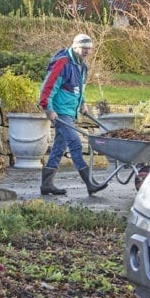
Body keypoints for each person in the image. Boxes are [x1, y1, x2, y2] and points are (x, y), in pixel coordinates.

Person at [38, 33, 107, 196]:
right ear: (75, 47)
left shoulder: (82, 66)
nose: (87, 52)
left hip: (70, 111)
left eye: (89, 49)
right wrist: (48, 109)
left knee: (59, 146)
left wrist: (82, 103)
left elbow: (79, 88)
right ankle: (89, 182)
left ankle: (47, 184)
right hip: (60, 112)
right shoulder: (62, 63)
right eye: (84, 48)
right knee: (75, 143)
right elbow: (47, 87)